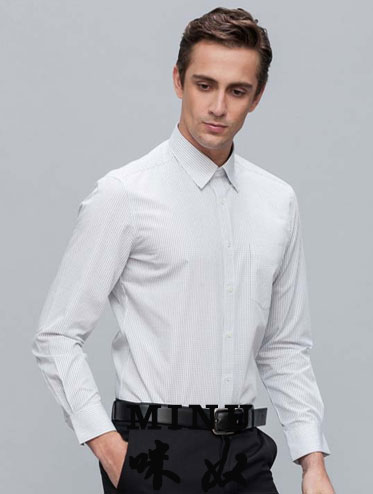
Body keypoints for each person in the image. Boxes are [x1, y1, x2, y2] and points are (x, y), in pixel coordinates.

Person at [31, 7, 335, 494]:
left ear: (257, 96)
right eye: (204, 85)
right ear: (178, 80)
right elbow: (56, 335)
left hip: (246, 455)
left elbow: (283, 346)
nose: (218, 107)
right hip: (153, 455)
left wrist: (312, 462)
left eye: (237, 91)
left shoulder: (278, 202)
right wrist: (110, 449)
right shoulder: (125, 195)